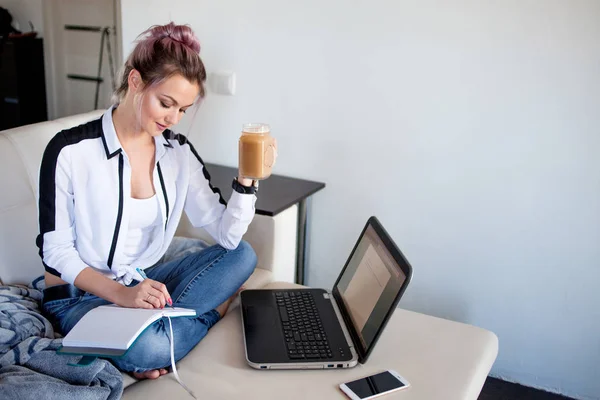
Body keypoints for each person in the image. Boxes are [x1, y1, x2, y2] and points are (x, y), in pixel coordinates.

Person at [37, 22, 272, 379]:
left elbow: (226, 237)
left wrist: (246, 182)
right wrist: (121, 295)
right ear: (135, 82)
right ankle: (209, 314)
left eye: (183, 109)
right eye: (166, 103)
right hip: (79, 296)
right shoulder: (70, 150)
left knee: (244, 255)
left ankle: (148, 335)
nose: (173, 118)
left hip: (143, 283)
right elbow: (55, 252)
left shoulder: (177, 153)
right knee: (149, 348)